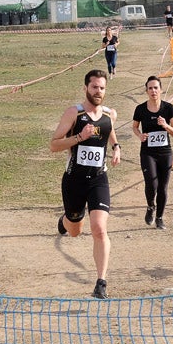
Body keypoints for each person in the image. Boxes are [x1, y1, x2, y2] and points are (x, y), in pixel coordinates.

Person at [50, 69, 122, 299]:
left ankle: (101, 282)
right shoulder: (74, 113)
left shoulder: (110, 114)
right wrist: (79, 137)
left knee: (99, 229)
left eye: (102, 88)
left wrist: (116, 147)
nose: (98, 92)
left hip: (99, 179)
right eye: (94, 87)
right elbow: (54, 145)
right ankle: (65, 220)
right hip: (74, 180)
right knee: (74, 230)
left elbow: (109, 132)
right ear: (86, 88)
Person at [132, 75, 173, 230]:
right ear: (146, 90)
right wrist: (140, 135)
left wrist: (165, 125)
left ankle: (159, 217)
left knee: (163, 187)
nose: (153, 91)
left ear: (161, 90)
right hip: (148, 152)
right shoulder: (140, 109)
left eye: (156, 88)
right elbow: (134, 127)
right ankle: (150, 206)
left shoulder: (168, 108)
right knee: (151, 183)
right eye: (150, 88)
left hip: (165, 152)